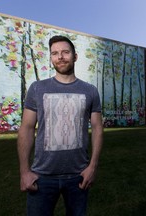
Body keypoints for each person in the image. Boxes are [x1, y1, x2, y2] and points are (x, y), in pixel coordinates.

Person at [17, 35, 103, 216]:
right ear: (51, 58)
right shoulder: (37, 88)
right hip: (42, 176)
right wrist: (25, 171)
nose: (60, 57)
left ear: (75, 56)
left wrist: (92, 167)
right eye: (55, 53)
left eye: (65, 52)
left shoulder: (90, 91)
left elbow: (97, 128)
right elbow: (26, 128)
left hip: (79, 176)